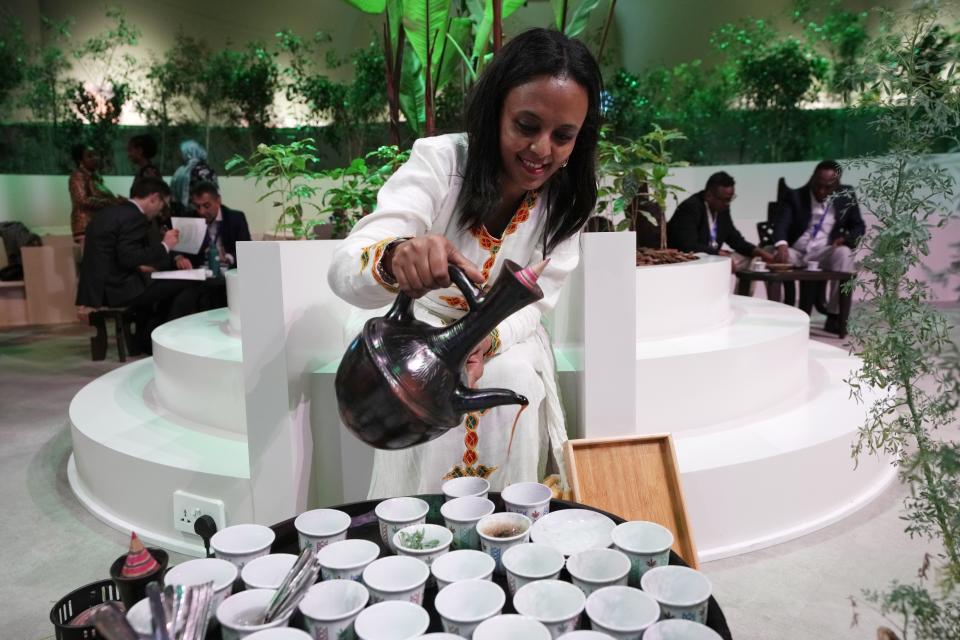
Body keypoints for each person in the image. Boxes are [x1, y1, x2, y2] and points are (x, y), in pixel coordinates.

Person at [328, 28, 602, 498]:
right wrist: (397, 257)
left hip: (504, 334)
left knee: (511, 377)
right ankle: (419, 541)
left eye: (563, 136)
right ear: (495, 110)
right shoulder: (441, 163)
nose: (542, 150)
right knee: (421, 389)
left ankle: (506, 533)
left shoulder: (568, 201)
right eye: (526, 125)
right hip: (417, 324)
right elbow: (344, 268)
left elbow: (538, 302)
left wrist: (486, 340)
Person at [76, 177, 203, 353]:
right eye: (162, 204)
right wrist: (165, 245)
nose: (160, 211)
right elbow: (129, 257)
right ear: (153, 197)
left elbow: (114, 256)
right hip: (119, 289)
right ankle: (166, 342)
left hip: (98, 291)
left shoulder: (107, 213)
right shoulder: (135, 217)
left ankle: (148, 340)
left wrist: (141, 266)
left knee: (160, 286)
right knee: (191, 283)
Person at [773, 160, 865, 333]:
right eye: (818, 185)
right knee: (770, 255)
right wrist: (782, 245)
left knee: (845, 254)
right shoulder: (795, 196)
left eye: (828, 187)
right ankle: (777, 315)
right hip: (797, 252)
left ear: (837, 185)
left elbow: (858, 226)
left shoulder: (846, 196)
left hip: (825, 251)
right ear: (812, 179)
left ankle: (835, 316)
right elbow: (781, 224)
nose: (821, 191)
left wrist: (845, 239)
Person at [668, 171, 774, 272]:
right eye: (725, 199)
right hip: (689, 260)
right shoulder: (690, 207)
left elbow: (734, 239)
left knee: (754, 260)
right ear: (709, 195)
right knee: (724, 261)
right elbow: (688, 246)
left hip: (713, 257)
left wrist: (760, 253)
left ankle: (742, 291)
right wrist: (719, 253)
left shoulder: (722, 209)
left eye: (730, 199)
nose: (728, 204)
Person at [182, 181, 252, 269]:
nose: (201, 211)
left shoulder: (236, 218)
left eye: (206, 206)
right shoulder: (190, 219)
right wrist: (179, 258)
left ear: (218, 201)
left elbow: (247, 251)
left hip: (227, 270)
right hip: (200, 272)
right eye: (197, 206)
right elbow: (180, 251)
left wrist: (228, 258)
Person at [69, 144, 122, 243]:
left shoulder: (95, 177)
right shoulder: (78, 176)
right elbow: (82, 200)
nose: (95, 158)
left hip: (97, 226)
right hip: (85, 227)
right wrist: (111, 202)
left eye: (95, 155)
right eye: (89, 156)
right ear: (80, 160)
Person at [170, 140, 218, 214]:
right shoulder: (205, 170)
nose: (180, 155)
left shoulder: (180, 171)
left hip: (182, 213)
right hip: (201, 213)